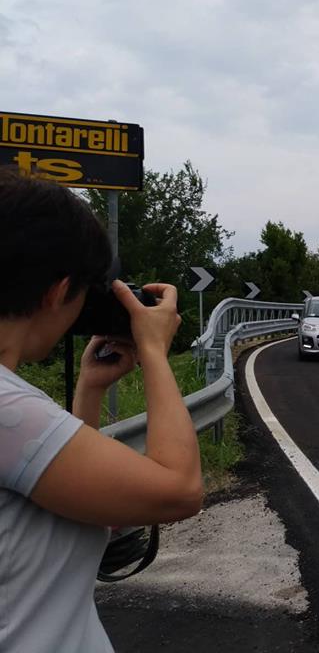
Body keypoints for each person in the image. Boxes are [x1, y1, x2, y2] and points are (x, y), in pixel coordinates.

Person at [0, 169, 203, 652]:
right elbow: (179, 490)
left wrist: (89, 392)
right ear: (57, 292)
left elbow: (57, 485)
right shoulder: (10, 409)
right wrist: (153, 352)